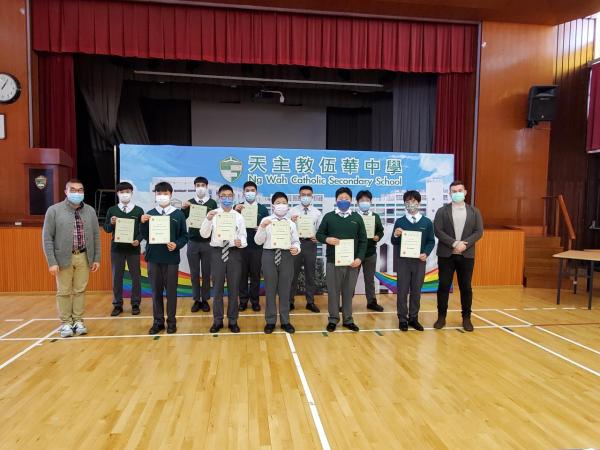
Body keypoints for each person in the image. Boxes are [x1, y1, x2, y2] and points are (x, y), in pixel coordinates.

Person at [42, 179, 100, 338]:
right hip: (63, 258)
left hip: (84, 257)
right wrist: (52, 262)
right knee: (64, 291)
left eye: (80, 190)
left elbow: (96, 235)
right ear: (66, 192)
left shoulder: (90, 211)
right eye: (73, 190)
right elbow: (47, 238)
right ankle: (66, 323)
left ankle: (78, 321)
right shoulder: (54, 210)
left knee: (80, 290)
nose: (77, 193)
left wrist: (96, 258)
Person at [433, 180, 484, 332]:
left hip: (466, 255)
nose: (457, 193)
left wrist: (465, 244)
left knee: (466, 287)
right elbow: (438, 231)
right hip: (446, 255)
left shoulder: (474, 211)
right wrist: (454, 243)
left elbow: (479, 231)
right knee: (443, 286)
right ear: (450, 193)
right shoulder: (442, 211)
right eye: (454, 191)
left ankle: (466, 318)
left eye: (460, 191)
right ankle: (441, 317)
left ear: (465, 192)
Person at [140, 182, 188, 335]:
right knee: (156, 292)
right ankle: (158, 322)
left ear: (171, 194)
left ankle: (171, 322)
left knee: (171, 292)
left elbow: (184, 236)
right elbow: (145, 236)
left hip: (171, 259)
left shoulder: (178, 214)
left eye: (165, 193)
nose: (162, 196)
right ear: (155, 195)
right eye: (159, 193)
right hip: (153, 258)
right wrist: (142, 223)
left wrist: (177, 244)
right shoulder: (150, 214)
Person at [316, 187, 367, 332]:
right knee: (333, 292)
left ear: (351, 200)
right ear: (336, 200)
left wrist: (359, 258)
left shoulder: (357, 218)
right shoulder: (329, 217)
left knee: (348, 292)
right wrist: (327, 239)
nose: (343, 201)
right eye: (340, 198)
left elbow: (363, 241)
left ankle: (348, 319)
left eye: (346, 198)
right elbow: (319, 235)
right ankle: (333, 319)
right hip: (333, 261)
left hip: (352, 263)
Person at [200, 184, 247, 333]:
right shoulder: (213, 214)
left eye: (229, 196)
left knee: (234, 289)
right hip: (217, 253)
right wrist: (208, 219)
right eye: (223, 196)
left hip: (234, 253)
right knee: (217, 289)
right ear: (218, 197)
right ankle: (217, 321)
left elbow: (243, 236)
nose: (227, 198)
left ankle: (233, 321)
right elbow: (204, 234)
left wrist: (241, 242)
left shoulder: (238, 216)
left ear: (233, 197)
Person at [255, 192, 300, 334]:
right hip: (269, 255)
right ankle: (270, 321)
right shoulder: (266, 220)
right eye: (278, 202)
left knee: (285, 290)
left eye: (284, 203)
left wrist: (296, 248)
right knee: (270, 290)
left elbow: (296, 241)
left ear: (287, 205)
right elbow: (258, 241)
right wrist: (262, 227)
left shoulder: (291, 223)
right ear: (273, 205)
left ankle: (285, 321)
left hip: (286, 255)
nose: (281, 205)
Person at [391, 190, 435, 331]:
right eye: (408, 201)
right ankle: (402, 319)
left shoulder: (427, 222)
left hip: (419, 262)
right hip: (403, 262)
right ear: (404, 204)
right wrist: (396, 235)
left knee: (416, 291)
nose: (411, 204)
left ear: (419, 203)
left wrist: (426, 253)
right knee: (402, 291)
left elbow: (431, 241)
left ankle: (414, 318)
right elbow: (393, 241)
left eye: (414, 201)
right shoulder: (400, 221)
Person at [103, 181, 144, 316]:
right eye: (122, 192)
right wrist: (111, 223)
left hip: (133, 250)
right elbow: (107, 229)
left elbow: (143, 230)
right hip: (117, 249)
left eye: (127, 191)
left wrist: (138, 240)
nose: (125, 194)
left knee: (136, 277)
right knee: (117, 278)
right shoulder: (112, 210)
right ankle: (117, 304)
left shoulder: (138, 210)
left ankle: (135, 303)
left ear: (132, 193)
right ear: (117, 194)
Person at [182, 176, 218, 313]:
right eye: (198, 185)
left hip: (208, 243)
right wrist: (183, 208)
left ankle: (205, 299)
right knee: (194, 273)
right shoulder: (190, 202)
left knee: (207, 273)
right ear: (194, 187)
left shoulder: (212, 203)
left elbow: (216, 222)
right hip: (193, 242)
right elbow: (182, 218)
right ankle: (196, 299)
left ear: (207, 187)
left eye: (203, 185)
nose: (200, 188)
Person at [235, 181, 269, 312]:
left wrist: (261, 228)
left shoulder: (262, 209)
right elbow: (230, 226)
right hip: (240, 247)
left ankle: (255, 301)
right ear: (243, 192)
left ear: (256, 192)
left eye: (252, 190)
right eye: (247, 190)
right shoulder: (237, 207)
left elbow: (269, 229)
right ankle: (243, 301)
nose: (250, 193)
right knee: (242, 275)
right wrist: (235, 212)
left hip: (257, 248)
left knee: (255, 275)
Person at [288, 185, 322, 313]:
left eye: (308, 195)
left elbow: (321, 230)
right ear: (299, 196)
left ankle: (310, 302)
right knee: (292, 274)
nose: (306, 197)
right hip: (296, 244)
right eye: (303, 194)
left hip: (310, 244)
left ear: (312, 196)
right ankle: (290, 301)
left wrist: (318, 237)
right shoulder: (292, 211)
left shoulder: (317, 212)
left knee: (310, 274)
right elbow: (285, 228)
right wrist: (290, 221)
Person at [355, 190, 385, 312]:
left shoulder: (375, 216)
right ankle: (346, 302)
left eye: (367, 200)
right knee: (351, 279)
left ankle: (371, 302)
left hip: (370, 253)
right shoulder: (353, 216)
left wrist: (378, 236)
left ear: (371, 202)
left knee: (369, 279)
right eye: (362, 200)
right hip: (355, 254)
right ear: (357, 202)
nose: (364, 202)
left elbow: (380, 231)